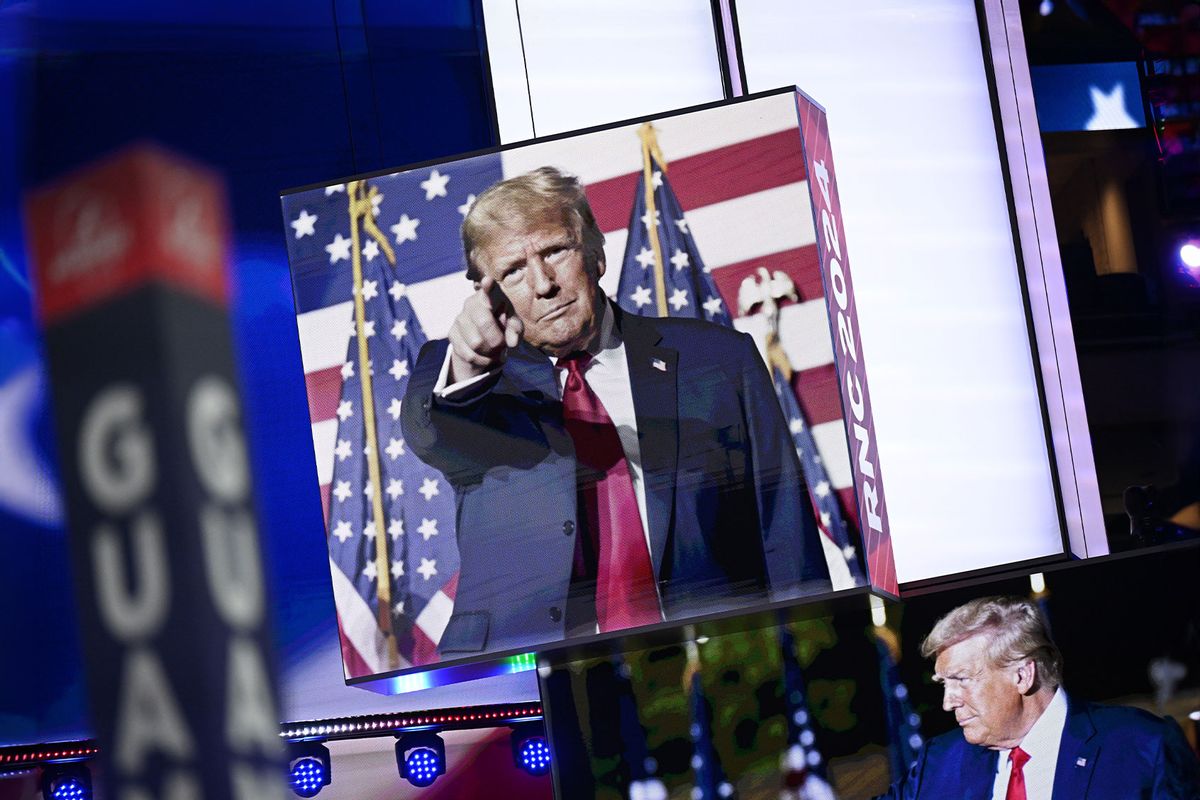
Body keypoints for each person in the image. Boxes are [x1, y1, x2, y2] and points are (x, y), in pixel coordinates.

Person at [402, 166, 831, 656]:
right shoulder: (464, 380)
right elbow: (432, 434)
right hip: (525, 672)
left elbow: (784, 530)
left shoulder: (719, 361)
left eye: (554, 252)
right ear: (486, 291)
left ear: (596, 254)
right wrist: (470, 363)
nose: (542, 285)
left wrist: (811, 655)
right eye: (513, 271)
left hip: (713, 661)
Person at [877, 596, 1200, 799]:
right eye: (944, 684)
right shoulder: (941, 760)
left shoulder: (1143, 746)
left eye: (961, 680)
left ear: (1022, 675)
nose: (948, 702)